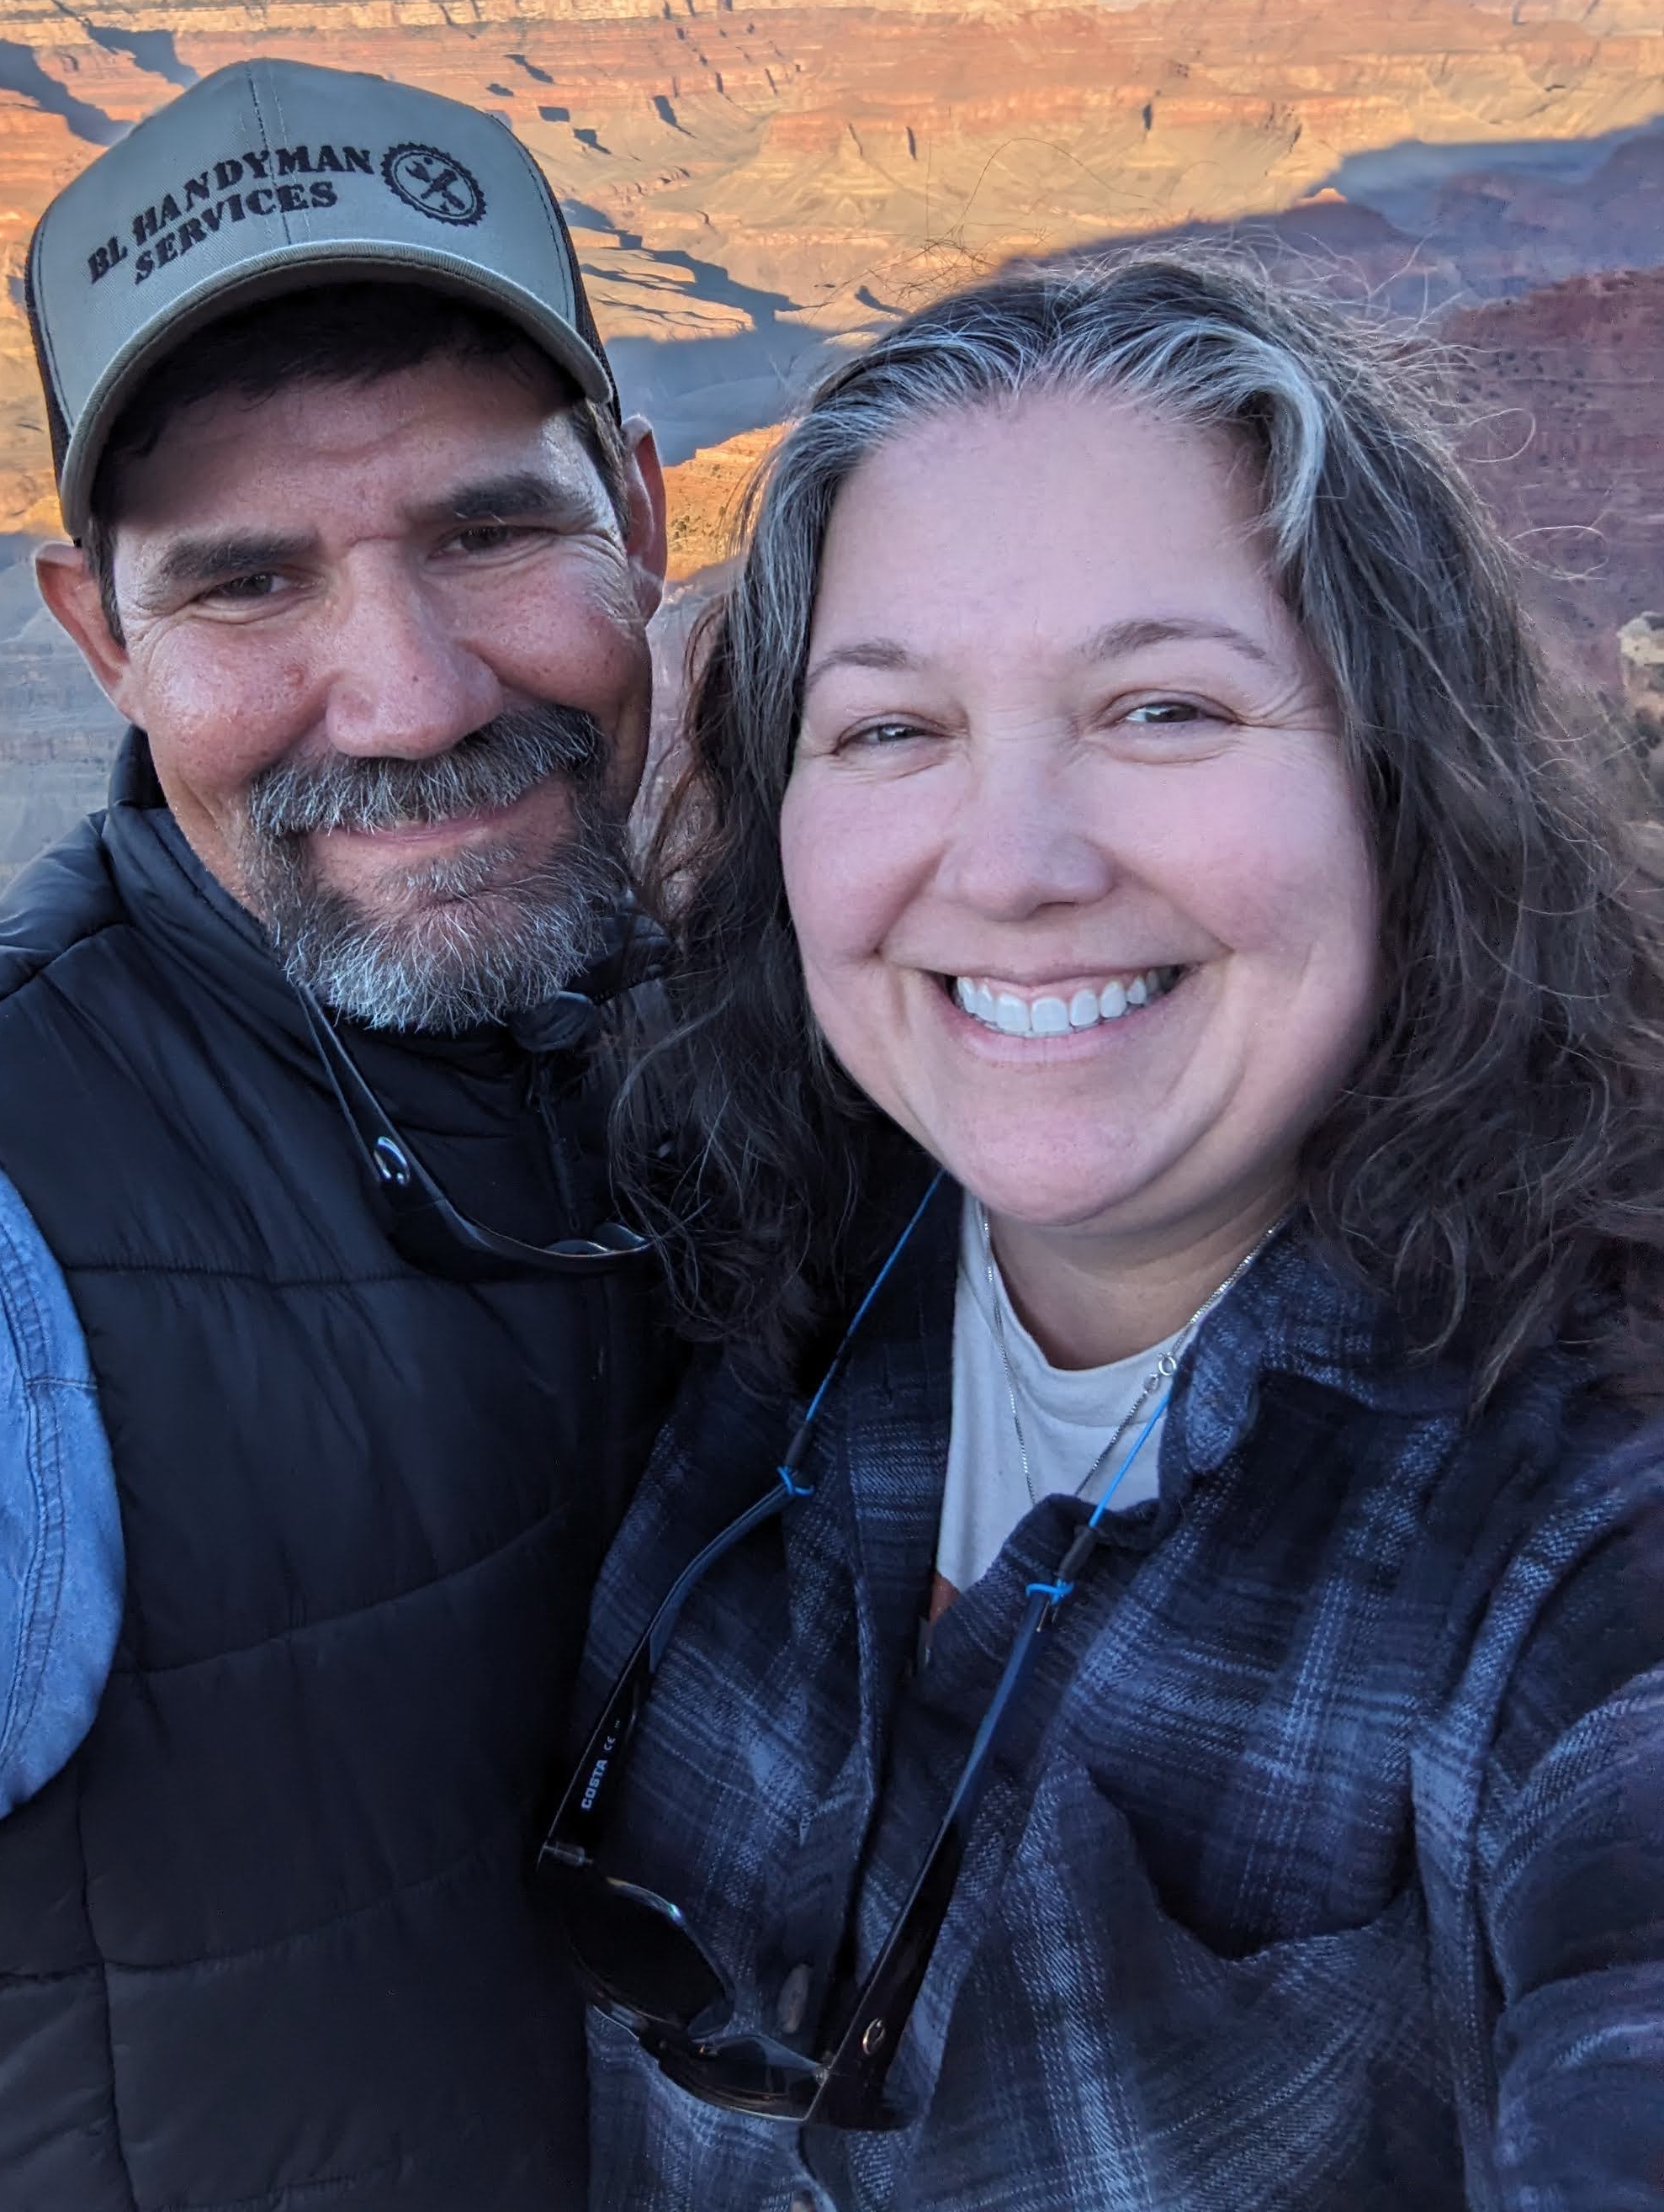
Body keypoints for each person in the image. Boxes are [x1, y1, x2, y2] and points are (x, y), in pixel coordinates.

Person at [0, 61, 677, 2212]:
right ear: (96, 635)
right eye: (247, 586)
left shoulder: (833, 1003)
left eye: (491, 529)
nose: (411, 696)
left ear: (648, 518)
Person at [543, 256, 1664, 2209]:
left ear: (1402, 775)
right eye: (892, 731)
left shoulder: (1581, 1538)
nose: (1016, 862)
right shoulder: (747, 1265)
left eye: (1163, 707)